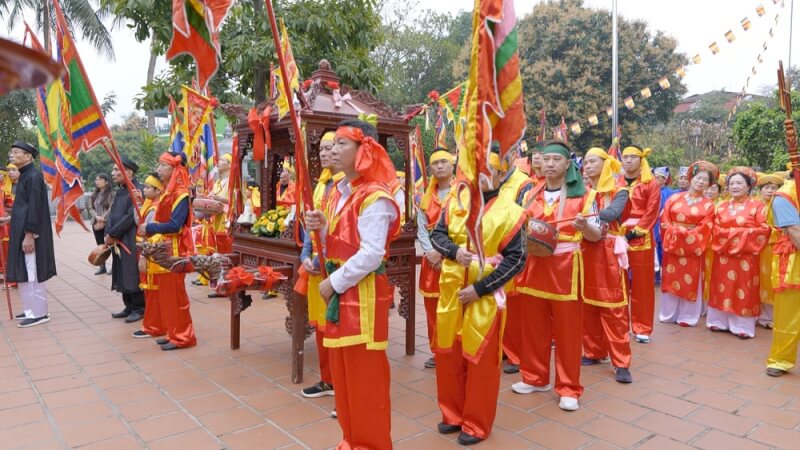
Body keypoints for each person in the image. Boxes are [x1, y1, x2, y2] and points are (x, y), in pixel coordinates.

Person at [304, 119, 400, 449]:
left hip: (362, 294)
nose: (333, 148)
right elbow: (340, 242)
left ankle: (371, 444)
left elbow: (372, 253)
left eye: (342, 143)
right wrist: (322, 227)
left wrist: (333, 282)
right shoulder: (339, 192)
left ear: (365, 149)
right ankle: (351, 440)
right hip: (342, 291)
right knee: (344, 380)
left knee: (365, 382)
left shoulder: (376, 197)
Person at [430, 150, 527, 445]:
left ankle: (475, 424)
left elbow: (517, 259)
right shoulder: (456, 202)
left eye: (490, 171)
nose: (482, 177)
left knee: (481, 361)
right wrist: (453, 251)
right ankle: (452, 414)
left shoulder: (512, 212)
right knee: (448, 356)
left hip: (483, 294)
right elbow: (438, 235)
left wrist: (480, 289)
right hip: (450, 291)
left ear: (501, 175)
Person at [512, 141, 602, 412]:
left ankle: (568, 387)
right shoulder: (531, 192)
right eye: (546, 159)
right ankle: (535, 376)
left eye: (555, 160)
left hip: (565, 268)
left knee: (567, 332)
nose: (549, 164)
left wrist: (585, 226)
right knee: (532, 326)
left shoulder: (585, 195)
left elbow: (597, 235)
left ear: (567, 164)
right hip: (534, 266)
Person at [580, 147, 633, 384]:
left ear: (605, 163)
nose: (587, 165)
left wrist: (584, 215)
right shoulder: (582, 190)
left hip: (608, 252)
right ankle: (593, 350)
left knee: (614, 308)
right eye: (585, 162)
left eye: (592, 161)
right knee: (587, 304)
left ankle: (621, 362)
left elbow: (611, 214)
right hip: (585, 250)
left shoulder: (619, 190)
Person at [298, 131, 343, 400]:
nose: (325, 153)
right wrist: (305, 255)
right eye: (322, 149)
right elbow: (310, 227)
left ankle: (342, 384)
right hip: (316, 266)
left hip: (335, 267)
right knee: (322, 328)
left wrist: (319, 258)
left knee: (337, 327)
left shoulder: (345, 186)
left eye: (331, 148)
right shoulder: (321, 185)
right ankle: (328, 380)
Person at [139, 151, 197, 350]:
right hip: (163, 250)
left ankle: (183, 337)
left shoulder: (181, 194)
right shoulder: (166, 192)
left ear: (174, 168)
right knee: (166, 297)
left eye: (163, 166)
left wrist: (150, 228)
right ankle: (173, 333)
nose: (158, 169)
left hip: (173, 252)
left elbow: (175, 226)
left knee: (176, 297)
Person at [707, 167, 770, 339]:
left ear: (749, 186)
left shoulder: (758, 206)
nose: (735, 186)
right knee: (721, 286)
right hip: (723, 255)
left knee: (743, 287)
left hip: (746, 256)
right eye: (732, 183)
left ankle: (742, 325)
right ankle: (719, 321)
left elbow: (764, 230)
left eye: (739, 183)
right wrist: (735, 234)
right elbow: (714, 228)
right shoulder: (721, 206)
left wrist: (733, 236)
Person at [1, 142, 56, 328]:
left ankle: (39, 312)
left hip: (29, 234)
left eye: (16, 152)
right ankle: (30, 307)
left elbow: (34, 208)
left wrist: (30, 234)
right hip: (21, 230)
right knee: (24, 270)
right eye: (12, 151)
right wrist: (9, 219)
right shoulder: (24, 176)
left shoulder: (33, 177)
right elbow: (23, 207)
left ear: (28, 157)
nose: (12, 155)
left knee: (32, 270)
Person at [658, 161, 717, 328]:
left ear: (709, 185)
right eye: (698, 178)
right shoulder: (674, 198)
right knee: (670, 278)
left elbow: (706, 226)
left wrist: (688, 236)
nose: (700, 182)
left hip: (692, 248)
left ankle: (688, 316)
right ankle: (668, 313)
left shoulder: (708, 205)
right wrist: (675, 232)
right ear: (692, 178)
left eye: (705, 180)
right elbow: (664, 220)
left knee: (692, 280)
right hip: (673, 244)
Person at [496, 144, 534, 375]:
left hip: (514, 249)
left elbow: (523, 217)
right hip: (493, 249)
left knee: (515, 305)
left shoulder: (523, 183)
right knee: (497, 302)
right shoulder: (492, 180)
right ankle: (501, 347)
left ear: (513, 156)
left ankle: (517, 354)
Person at [618, 146, 660, 343]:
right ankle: (621, 325)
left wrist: (637, 231)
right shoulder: (615, 182)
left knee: (643, 285)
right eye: (625, 157)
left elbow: (652, 211)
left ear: (641, 159)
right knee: (619, 283)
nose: (628, 161)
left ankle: (642, 327)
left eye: (633, 157)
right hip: (617, 234)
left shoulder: (650, 184)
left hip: (641, 236)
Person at [417, 149, 454, 370]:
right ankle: (436, 350)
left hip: (453, 258)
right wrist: (430, 251)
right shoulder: (426, 198)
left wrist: (444, 251)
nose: (439, 167)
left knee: (453, 306)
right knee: (432, 310)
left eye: (443, 162)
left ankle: (452, 348)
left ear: (452, 166)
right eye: (435, 163)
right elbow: (422, 229)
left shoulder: (462, 194)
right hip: (430, 261)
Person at [765, 172, 800, 377]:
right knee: (788, 315)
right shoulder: (785, 196)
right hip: (793, 263)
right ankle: (781, 359)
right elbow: (795, 231)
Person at [106, 158, 145, 323]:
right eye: (113, 170)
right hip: (118, 238)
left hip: (130, 237)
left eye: (117, 170)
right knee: (121, 270)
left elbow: (130, 217)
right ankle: (128, 305)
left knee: (132, 272)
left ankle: (139, 307)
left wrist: (114, 233)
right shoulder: (120, 190)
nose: (113, 173)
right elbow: (113, 213)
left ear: (129, 172)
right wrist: (108, 231)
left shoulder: (137, 190)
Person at [132, 173, 167, 339]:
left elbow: (149, 232)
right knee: (149, 291)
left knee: (152, 291)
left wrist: (144, 255)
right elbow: (138, 222)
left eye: (147, 187)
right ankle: (153, 324)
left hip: (150, 251)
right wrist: (139, 203)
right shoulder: (149, 205)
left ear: (158, 190)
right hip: (145, 248)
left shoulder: (156, 208)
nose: (143, 189)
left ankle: (154, 326)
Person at [757, 172, 785, 329]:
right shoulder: (755, 204)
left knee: (771, 280)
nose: (769, 191)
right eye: (766, 187)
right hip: (756, 248)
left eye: (773, 188)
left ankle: (769, 317)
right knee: (757, 280)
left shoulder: (781, 206)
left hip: (774, 247)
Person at [653, 167, 676, 286]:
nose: (656, 180)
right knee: (654, 251)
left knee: (665, 251)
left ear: (665, 179)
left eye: (659, 178)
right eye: (655, 177)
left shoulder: (672, 193)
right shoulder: (650, 191)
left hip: (665, 225)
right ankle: (656, 277)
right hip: (653, 225)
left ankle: (668, 276)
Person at [88, 173, 114, 275]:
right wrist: (96, 217)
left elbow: (112, 208)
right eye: (96, 180)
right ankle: (102, 266)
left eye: (100, 180)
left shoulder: (112, 194)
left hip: (108, 223)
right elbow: (90, 208)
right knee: (100, 245)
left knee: (111, 244)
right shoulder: (94, 194)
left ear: (106, 181)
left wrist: (103, 218)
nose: (97, 182)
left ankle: (114, 267)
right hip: (96, 223)